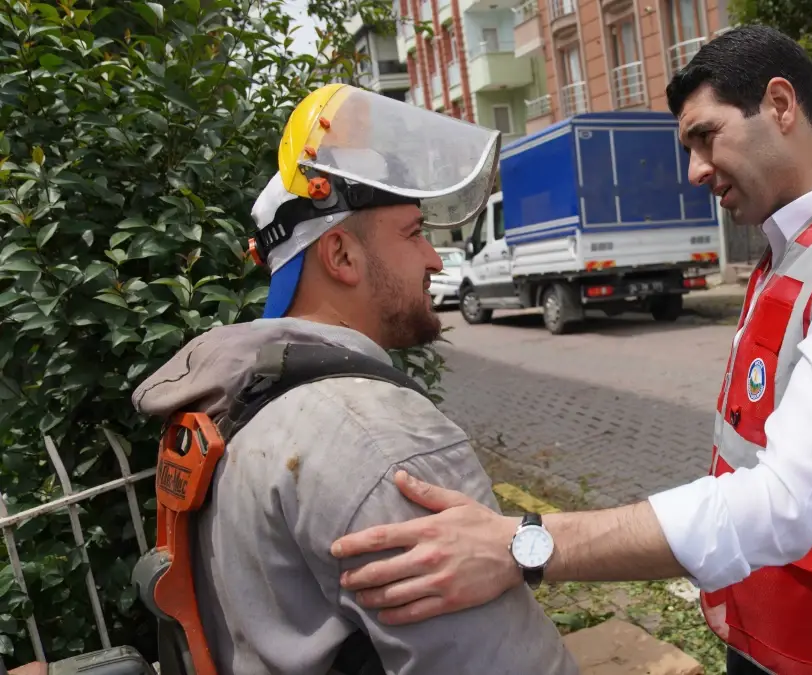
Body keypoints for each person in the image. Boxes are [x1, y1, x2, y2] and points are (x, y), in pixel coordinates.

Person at [327, 25, 812, 675]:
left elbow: (784, 502)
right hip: (777, 633)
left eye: (705, 136)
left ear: (779, 105)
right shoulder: (792, 249)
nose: (694, 171)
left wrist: (525, 544)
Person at [130, 84, 576, 674]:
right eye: (414, 233)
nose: (437, 260)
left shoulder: (239, 399)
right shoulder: (378, 439)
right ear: (341, 256)